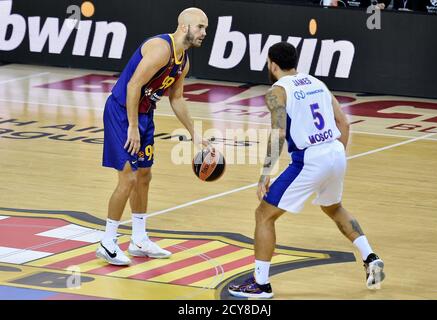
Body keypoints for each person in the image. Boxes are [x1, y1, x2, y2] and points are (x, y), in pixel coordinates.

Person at [228, 42, 385, 298]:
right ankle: (370, 256)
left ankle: (260, 284)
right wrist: (336, 158)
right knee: (334, 208)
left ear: (272, 64)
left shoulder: (276, 92)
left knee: (264, 215)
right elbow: (343, 123)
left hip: (309, 159)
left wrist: (264, 174)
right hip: (335, 151)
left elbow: (278, 134)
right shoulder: (316, 82)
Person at [96, 8, 210, 265]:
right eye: (200, 27)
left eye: (205, 28)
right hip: (122, 112)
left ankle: (138, 238)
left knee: (145, 175)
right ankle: (107, 241)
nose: (204, 33)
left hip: (145, 114)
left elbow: (177, 98)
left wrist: (194, 133)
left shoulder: (184, 60)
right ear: (185, 27)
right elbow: (133, 85)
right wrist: (132, 126)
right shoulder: (161, 48)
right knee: (128, 177)